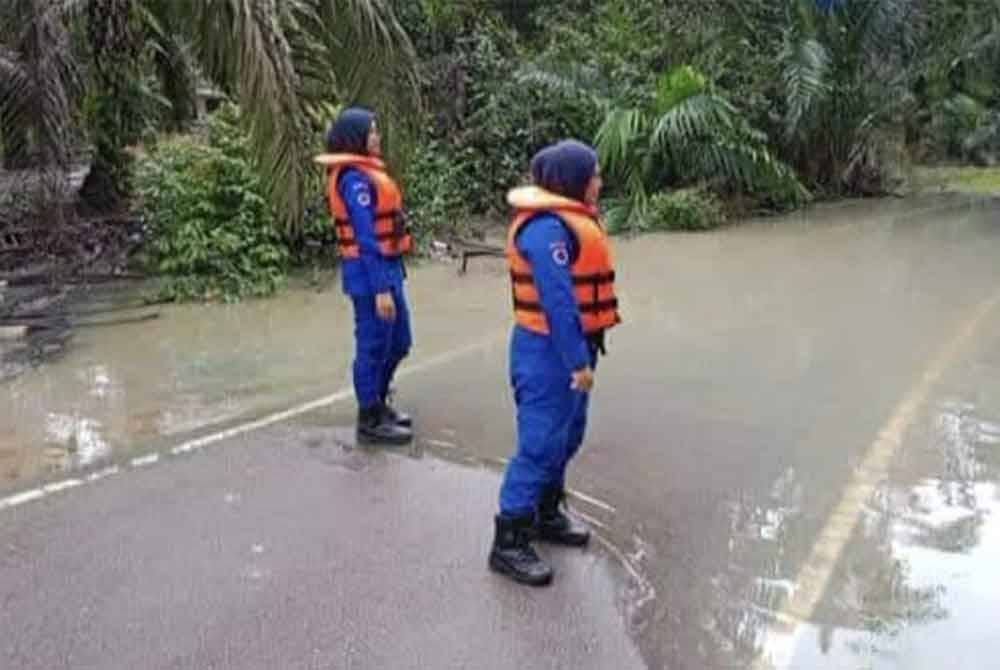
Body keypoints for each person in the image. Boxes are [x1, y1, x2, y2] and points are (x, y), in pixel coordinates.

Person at [489, 140, 621, 586]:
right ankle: (509, 539)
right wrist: (576, 362)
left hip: (570, 349)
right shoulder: (545, 231)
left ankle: (546, 512)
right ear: (574, 180)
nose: (600, 182)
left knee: (568, 435)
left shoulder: (569, 222)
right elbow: (558, 301)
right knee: (540, 444)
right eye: (595, 174)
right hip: (548, 352)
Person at [314, 107, 414, 445]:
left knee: (400, 341)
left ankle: (378, 401)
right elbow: (366, 238)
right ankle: (368, 419)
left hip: (387, 267)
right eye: (372, 131)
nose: (377, 137)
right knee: (372, 345)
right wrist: (381, 289)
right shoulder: (354, 179)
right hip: (368, 274)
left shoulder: (369, 174)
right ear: (357, 138)